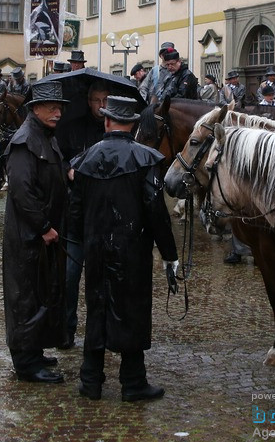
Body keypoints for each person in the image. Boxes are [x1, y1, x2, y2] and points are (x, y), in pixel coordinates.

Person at [68, 95, 179, 402]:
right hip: (133, 250)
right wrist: (169, 254)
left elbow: (74, 211)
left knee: (97, 308)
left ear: (106, 121)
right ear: (132, 125)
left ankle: (91, 380)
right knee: (133, 310)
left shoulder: (85, 160)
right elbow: (157, 212)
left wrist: (81, 242)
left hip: (95, 249)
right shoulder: (146, 160)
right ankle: (133, 382)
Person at [2, 79, 70, 384]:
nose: (58, 113)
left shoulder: (47, 136)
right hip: (27, 236)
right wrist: (43, 227)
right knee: (25, 297)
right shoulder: (24, 140)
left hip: (44, 234)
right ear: (36, 109)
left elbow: (55, 171)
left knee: (43, 293)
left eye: (60, 108)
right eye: (52, 108)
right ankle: (26, 364)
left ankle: (35, 350)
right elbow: (22, 191)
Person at [57, 82, 110, 349]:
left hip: (104, 216)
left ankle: (102, 331)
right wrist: (68, 169)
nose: (101, 106)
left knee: (104, 280)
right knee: (69, 276)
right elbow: (59, 156)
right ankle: (66, 329)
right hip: (76, 215)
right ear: (88, 101)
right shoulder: (72, 128)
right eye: (96, 100)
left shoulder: (115, 129)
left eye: (105, 100)